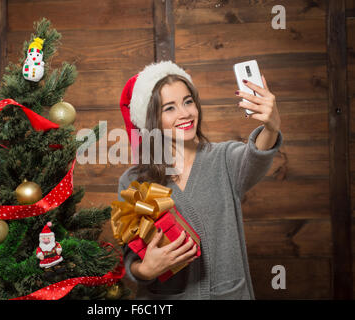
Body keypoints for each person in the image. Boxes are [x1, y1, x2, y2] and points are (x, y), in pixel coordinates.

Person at [117, 61, 282, 299]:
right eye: (169, 108)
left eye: (188, 101)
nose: (185, 113)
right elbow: (130, 257)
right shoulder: (133, 182)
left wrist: (271, 127)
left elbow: (255, 155)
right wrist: (145, 269)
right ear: (151, 120)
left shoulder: (225, 159)